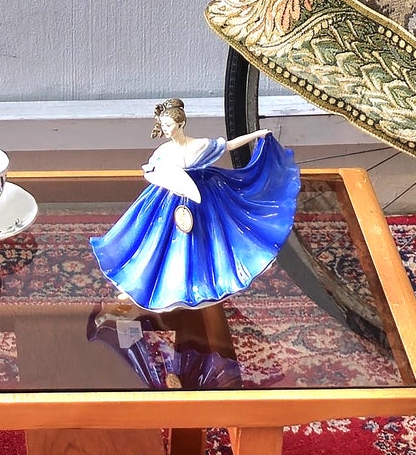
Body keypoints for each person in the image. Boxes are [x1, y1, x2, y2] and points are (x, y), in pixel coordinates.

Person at [90, 99, 299, 311]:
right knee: (154, 241)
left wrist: (257, 135)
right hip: (168, 199)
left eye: (169, 125)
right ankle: (150, 283)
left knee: (207, 240)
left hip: (205, 196)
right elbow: (152, 170)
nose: (166, 130)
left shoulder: (199, 146)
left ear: (180, 124)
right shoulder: (163, 151)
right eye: (163, 126)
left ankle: (204, 282)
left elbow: (228, 145)